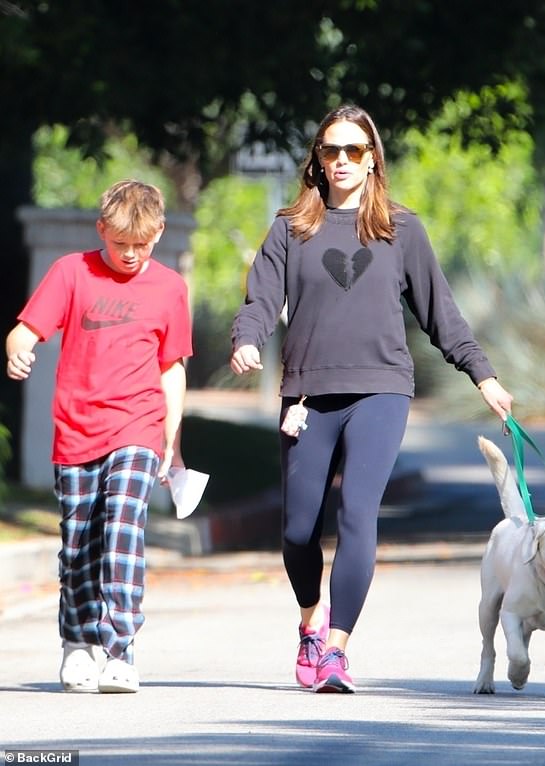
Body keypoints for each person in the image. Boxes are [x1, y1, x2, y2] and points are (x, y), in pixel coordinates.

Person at [230, 104, 513, 694]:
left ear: (371, 159)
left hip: (382, 390)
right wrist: (247, 340)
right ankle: (310, 623)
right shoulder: (290, 228)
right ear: (317, 159)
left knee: (358, 513)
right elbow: (259, 301)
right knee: (299, 531)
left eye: (353, 151)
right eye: (330, 151)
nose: (341, 161)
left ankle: (336, 652)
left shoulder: (400, 231)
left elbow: (442, 313)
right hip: (308, 394)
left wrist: (482, 374)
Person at [6, 180, 193, 694]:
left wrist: (171, 438)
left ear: (158, 233)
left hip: (138, 425)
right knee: (79, 544)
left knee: (123, 528)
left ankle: (120, 649)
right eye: (120, 244)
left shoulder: (171, 288)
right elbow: (24, 329)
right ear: (101, 231)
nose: (131, 255)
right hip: (76, 429)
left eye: (142, 244)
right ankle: (77, 642)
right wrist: (16, 349)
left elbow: (171, 366)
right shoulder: (72, 272)